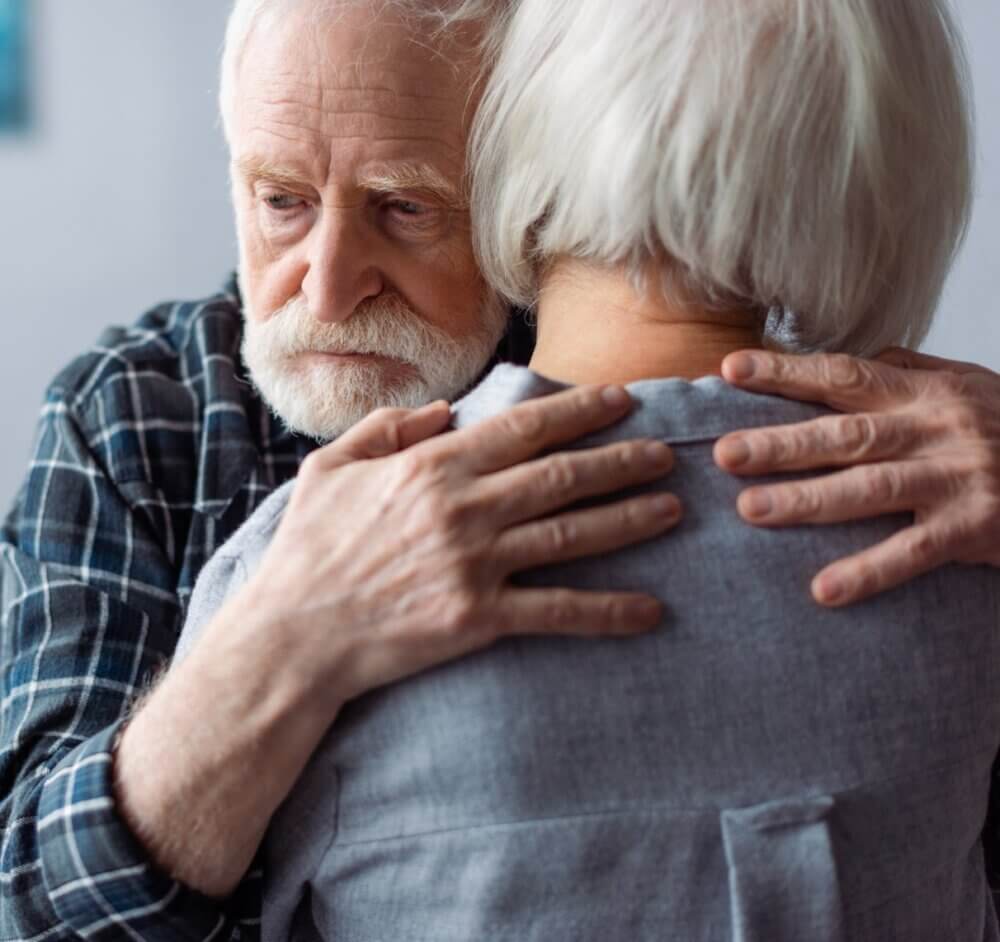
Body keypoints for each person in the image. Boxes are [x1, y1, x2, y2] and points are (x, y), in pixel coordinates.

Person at [1, 0, 1000, 939]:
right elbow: (29, 905)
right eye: (281, 201)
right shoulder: (139, 411)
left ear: (528, 179)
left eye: (405, 208)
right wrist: (278, 643)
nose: (330, 282)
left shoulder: (670, 352)